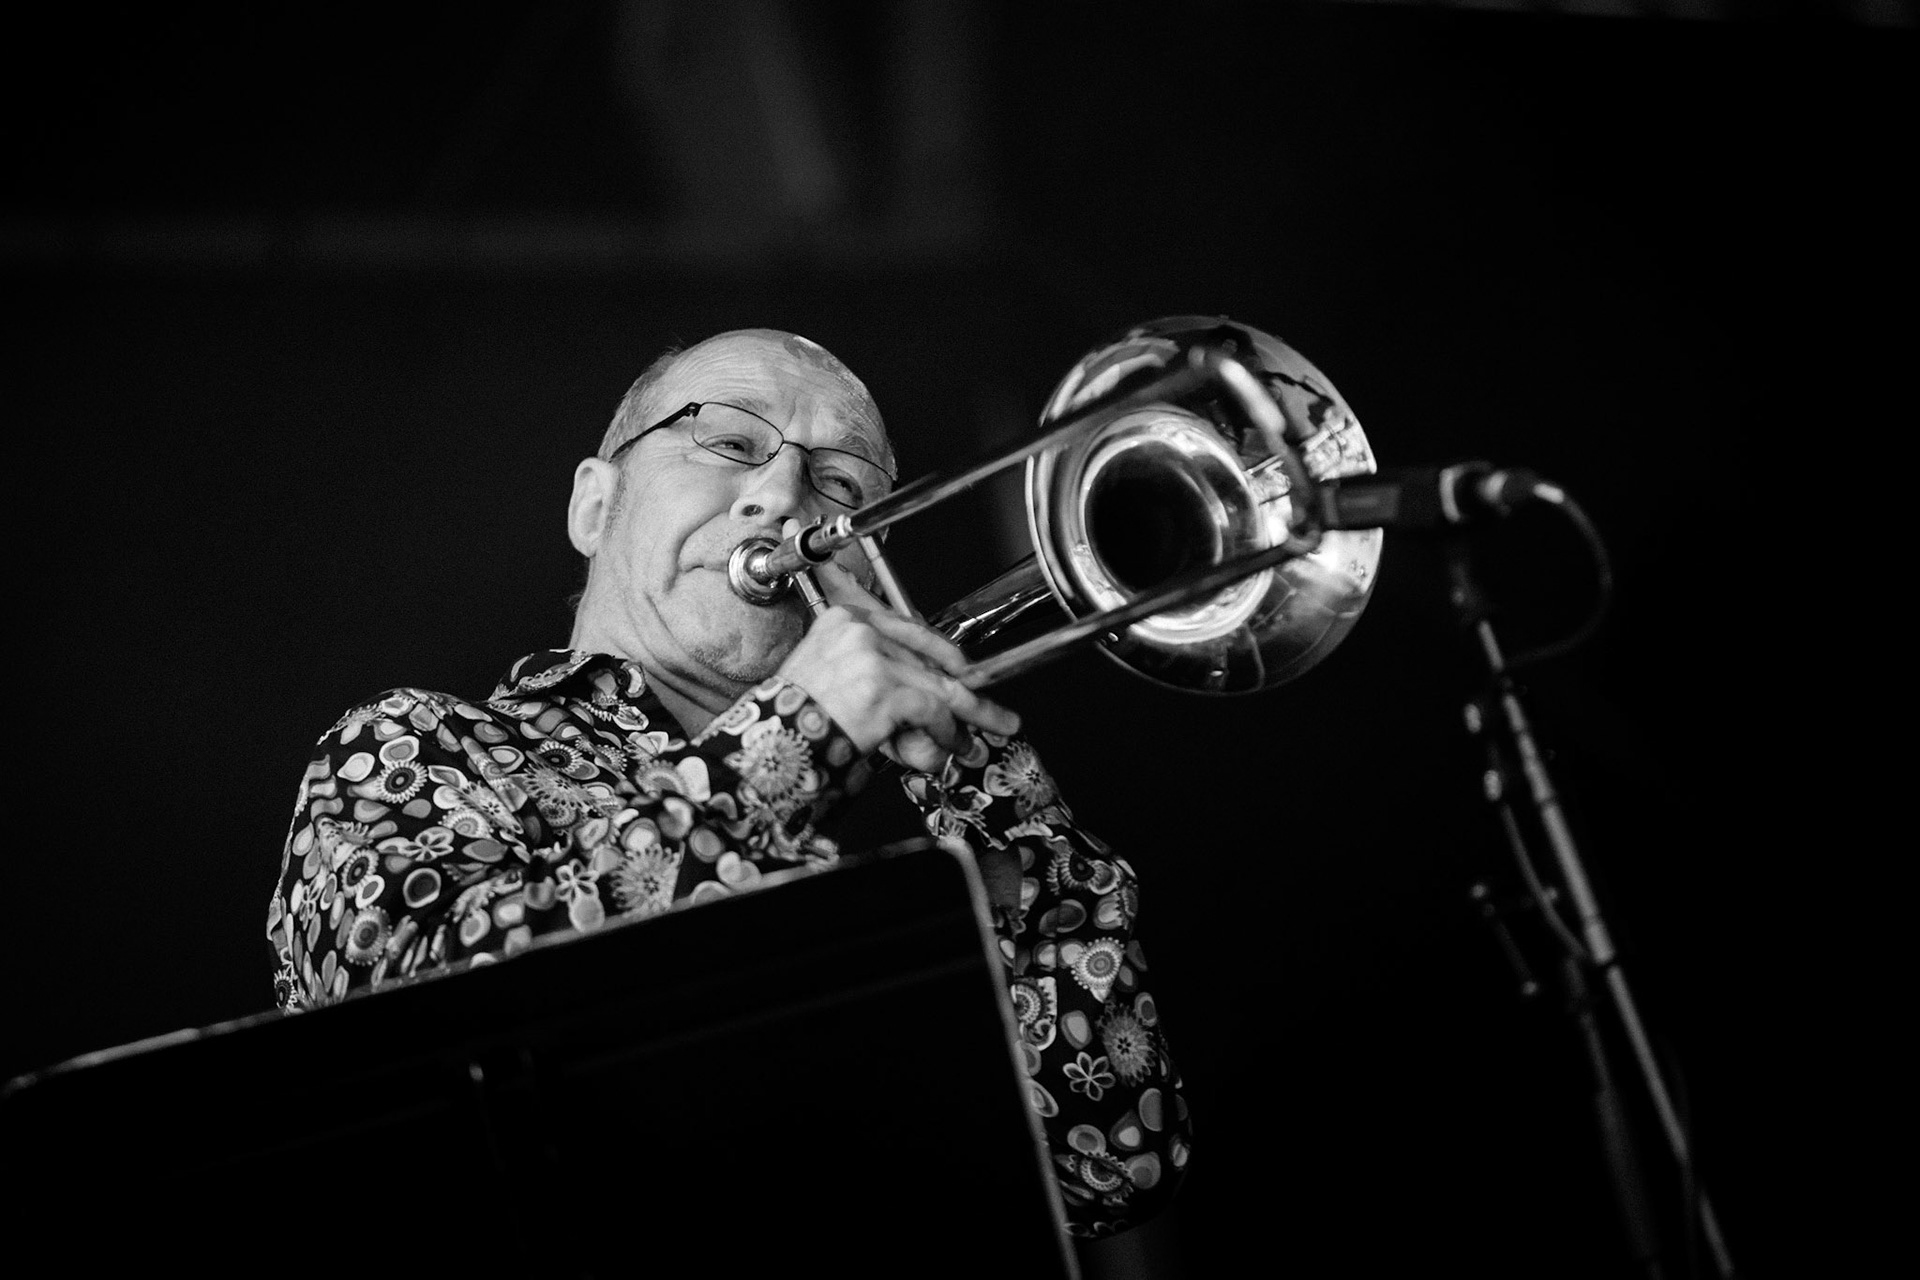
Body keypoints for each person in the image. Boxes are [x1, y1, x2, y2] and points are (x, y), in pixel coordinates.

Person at [266, 328, 1191, 1240]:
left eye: (839, 485)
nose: (783, 495)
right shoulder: (415, 744)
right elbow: (419, 1032)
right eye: (731, 442)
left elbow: (1108, 1165)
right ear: (596, 503)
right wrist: (800, 734)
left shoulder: (879, 873)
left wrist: (983, 782)